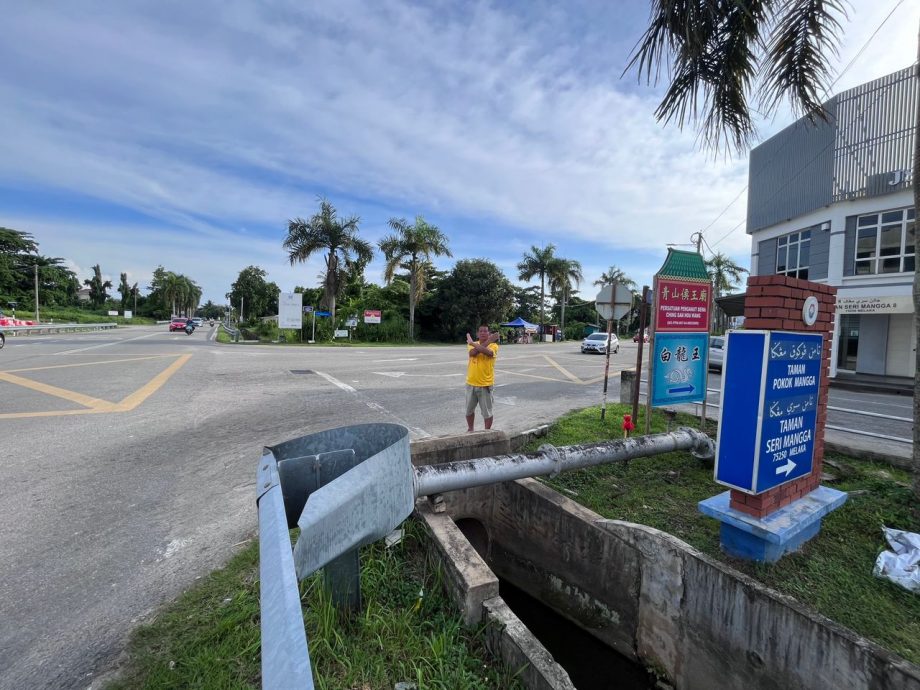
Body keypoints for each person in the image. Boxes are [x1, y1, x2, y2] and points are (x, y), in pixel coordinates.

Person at [465, 325, 499, 432]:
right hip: (471, 383)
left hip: (485, 385)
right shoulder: (473, 345)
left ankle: (486, 432)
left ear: (489, 333)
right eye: (481, 331)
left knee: (487, 413)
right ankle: (470, 430)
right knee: (468, 411)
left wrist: (473, 343)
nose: (483, 333)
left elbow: (488, 353)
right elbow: (473, 353)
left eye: (485, 331)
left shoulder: (494, 346)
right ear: (477, 333)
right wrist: (474, 343)